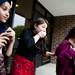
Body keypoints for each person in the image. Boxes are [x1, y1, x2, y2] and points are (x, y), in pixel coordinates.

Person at [0, 0, 15, 75]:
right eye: (4, 8)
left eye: (9, 11)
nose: (7, 14)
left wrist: (12, 42)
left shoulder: (3, 29)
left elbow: (7, 54)